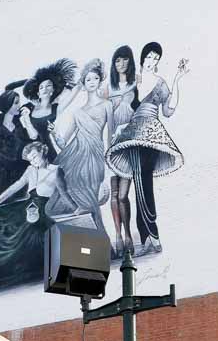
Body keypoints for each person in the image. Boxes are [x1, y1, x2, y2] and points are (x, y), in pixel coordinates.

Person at [0, 141, 74, 289]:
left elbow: (64, 194)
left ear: (43, 152)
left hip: (42, 211)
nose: (33, 161)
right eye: (30, 159)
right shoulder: (31, 170)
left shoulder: (56, 170)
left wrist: (76, 209)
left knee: (28, 232)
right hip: (26, 207)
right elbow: (15, 187)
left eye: (35, 157)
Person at [106, 44, 186, 255]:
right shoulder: (133, 81)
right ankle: (148, 238)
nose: (152, 61)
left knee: (145, 182)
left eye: (156, 58)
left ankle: (153, 235)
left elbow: (168, 110)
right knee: (140, 181)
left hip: (152, 132)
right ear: (143, 58)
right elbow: (125, 106)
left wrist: (177, 80)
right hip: (133, 135)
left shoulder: (160, 83)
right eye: (149, 56)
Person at [51, 58, 111, 239]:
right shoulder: (77, 112)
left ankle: (101, 244)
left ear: (99, 80)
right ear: (83, 84)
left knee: (90, 197)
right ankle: (99, 245)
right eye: (88, 80)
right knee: (62, 180)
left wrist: (109, 161)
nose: (91, 82)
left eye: (94, 79)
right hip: (77, 154)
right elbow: (64, 142)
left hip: (95, 154)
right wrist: (54, 133)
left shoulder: (107, 105)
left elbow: (111, 133)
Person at [105, 46, 138, 256]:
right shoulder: (107, 89)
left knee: (124, 196)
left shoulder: (136, 84)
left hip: (129, 146)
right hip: (112, 148)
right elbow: (107, 123)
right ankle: (118, 235)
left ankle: (128, 234)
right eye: (117, 60)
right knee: (114, 196)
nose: (121, 64)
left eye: (125, 60)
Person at [18, 60, 74, 159]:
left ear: (52, 91)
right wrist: (26, 118)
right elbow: (33, 136)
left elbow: (72, 94)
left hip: (48, 150)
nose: (45, 89)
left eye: (48, 86)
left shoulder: (55, 108)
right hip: (30, 152)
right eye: (41, 87)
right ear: (38, 93)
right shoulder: (28, 108)